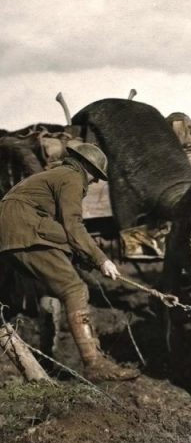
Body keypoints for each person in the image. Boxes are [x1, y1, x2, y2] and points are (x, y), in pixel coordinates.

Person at [0, 142, 139, 381]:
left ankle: (46, 359)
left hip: (12, 235)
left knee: (51, 289)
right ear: (85, 166)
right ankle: (94, 363)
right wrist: (102, 259)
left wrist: (85, 257)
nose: (94, 181)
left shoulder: (54, 175)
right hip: (26, 232)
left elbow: (60, 231)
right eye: (95, 175)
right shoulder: (72, 177)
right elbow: (73, 225)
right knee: (74, 288)